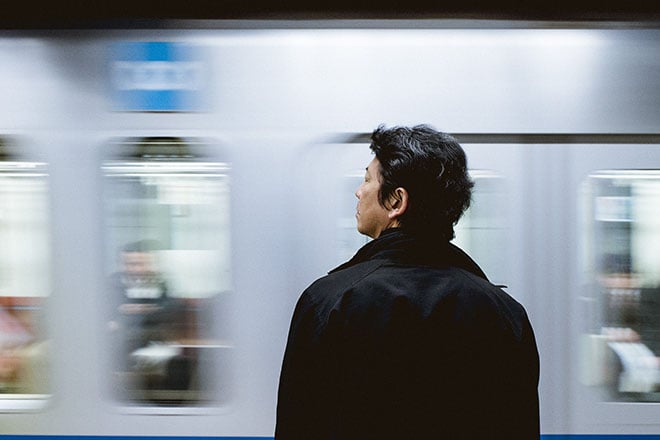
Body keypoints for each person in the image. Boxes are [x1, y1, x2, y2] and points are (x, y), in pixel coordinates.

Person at [275, 124, 540, 439]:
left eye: (367, 180)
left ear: (396, 202)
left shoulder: (329, 302)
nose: (359, 191)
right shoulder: (505, 314)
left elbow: (301, 425)